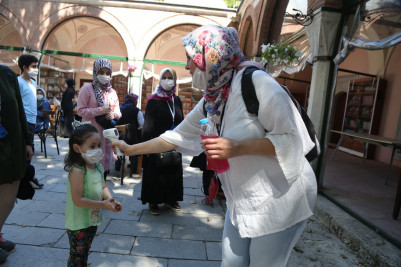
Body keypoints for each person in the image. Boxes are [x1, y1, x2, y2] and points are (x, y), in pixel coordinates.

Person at [112, 25, 317, 266]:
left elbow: (292, 138)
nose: (186, 66)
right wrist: (130, 149)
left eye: (189, 58)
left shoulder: (257, 82)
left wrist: (237, 148)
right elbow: (175, 137)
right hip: (242, 201)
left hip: (280, 199)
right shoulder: (215, 97)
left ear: (210, 55)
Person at [64, 123, 122, 266]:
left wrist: (110, 198)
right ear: (77, 148)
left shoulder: (97, 166)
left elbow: (103, 186)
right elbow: (78, 200)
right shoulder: (77, 171)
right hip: (78, 222)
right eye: (92, 146)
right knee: (77, 255)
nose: (97, 149)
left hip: (92, 218)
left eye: (98, 145)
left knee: (84, 251)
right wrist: (103, 204)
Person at [0, 65, 34, 264]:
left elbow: (19, 110)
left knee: (7, 198)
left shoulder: (6, 74)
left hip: (10, 147)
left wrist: (28, 141)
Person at [141, 68, 184, 215]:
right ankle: (153, 201)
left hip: (173, 143)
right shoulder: (154, 100)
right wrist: (146, 147)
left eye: (170, 77)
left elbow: (181, 121)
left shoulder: (176, 100)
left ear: (175, 80)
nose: (167, 80)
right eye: (164, 77)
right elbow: (147, 124)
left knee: (172, 172)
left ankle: (171, 199)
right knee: (155, 172)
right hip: (157, 143)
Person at [77, 58, 121, 180]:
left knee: (104, 168)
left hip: (106, 135)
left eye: (108, 73)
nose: (105, 76)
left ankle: (102, 195)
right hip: (90, 133)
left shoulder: (112, 92)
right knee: (89, 167)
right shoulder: (87, 89)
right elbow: (80, 111)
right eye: (101, 72)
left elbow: (118, 111)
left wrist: (114, 115)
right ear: (95, 72)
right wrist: (100, 111)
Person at [17, 54, 43, 189]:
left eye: (36, 66)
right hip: (23, 121)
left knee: (29, 150)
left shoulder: (33, 82)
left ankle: (27, 177)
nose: (36, 69)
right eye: (33, 66)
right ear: (24, 67)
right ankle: (25, 179)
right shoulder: (18, 82)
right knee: (27, 150)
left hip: (32, 121)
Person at [115, 93, 144, 174]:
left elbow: (114, 122)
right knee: (135, 148)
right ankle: (133, 169)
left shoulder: (119, 109)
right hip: (132, 137)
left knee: (119, 148)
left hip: (120, 137)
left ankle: (118, 166)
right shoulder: (137, 111)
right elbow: (142, 125)